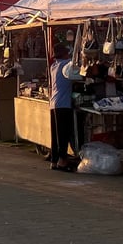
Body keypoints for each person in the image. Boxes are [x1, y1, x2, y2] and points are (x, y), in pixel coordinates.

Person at [49, 43, 78, 172]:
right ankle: (62, 161)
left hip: (53, 103)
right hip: (63, 104)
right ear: (65, 54)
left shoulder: (53, 66)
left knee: (55, 135)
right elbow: (75, 65)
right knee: (63, 134)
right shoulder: (65, 65)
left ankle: (54, 161)